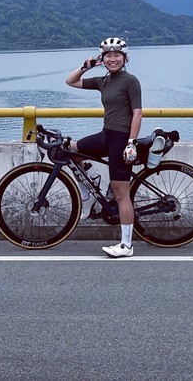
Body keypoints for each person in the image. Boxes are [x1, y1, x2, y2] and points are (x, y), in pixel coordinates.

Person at [65, 36, 144, 258]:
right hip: (106, 135)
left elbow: (138, 113)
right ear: (103, 58)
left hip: (121, 139)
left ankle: (126, 245)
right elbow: (70, 81)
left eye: (117, 55)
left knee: (121, 194)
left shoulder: (130, 81)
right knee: (70, 150)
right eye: (108, 55)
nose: (112, 59)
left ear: (124, 57)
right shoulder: (104, 81)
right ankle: (90, 188)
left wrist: (131, 142)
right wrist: (85, 67)